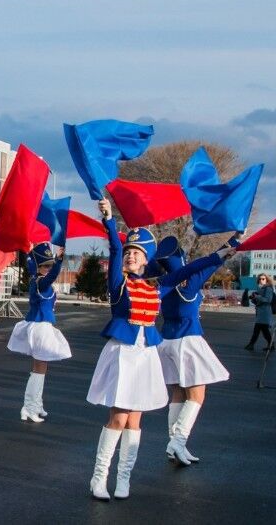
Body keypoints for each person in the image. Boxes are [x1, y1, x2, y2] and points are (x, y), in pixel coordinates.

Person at [86, 198, 223, 501]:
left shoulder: (157, 288)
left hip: (146, 356)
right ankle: (99, 477)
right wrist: (109, 220)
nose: (130, 255)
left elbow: (190, 269)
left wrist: (223, 253)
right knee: (119, 417)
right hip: (123, 354)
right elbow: (114, 248)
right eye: (129, 252)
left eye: (137, 253)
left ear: (146, 260)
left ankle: (124, 478)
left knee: (135, 420)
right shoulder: (118, 285)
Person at [153, 235, 238, 466]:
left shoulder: (163, 283)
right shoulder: (189, 283)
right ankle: (178, 442)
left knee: (178, 393)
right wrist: (234, 241)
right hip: (187, 341)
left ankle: (175, 444)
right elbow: (210, 264)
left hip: (166, 341)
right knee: (197, 395)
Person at [7, 242, 71, 422]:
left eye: (50, 265)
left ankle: (35, 404)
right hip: (40, 327)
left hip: (42, 326)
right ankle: (29, 407)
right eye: (45, 265)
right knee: (39, 368)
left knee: (41, 368)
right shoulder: (41, 282)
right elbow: (52, 276)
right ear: (38, 267)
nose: (49, 268)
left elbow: (45, 274)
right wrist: (58, 261)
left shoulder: (38, 281)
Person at [244, 273, 274, 351]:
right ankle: (271, 345)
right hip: (261, 311)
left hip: (265, 312)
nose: (261, 280)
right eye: (260, 279)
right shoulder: (261, 288)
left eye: (263, 279)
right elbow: (259, 301)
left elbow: (268, 300)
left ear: (267, 280)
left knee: (258, 329)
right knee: (264, 330)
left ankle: (251, 344)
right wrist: (254, 299)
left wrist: (257, 296)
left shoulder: (268, 289)